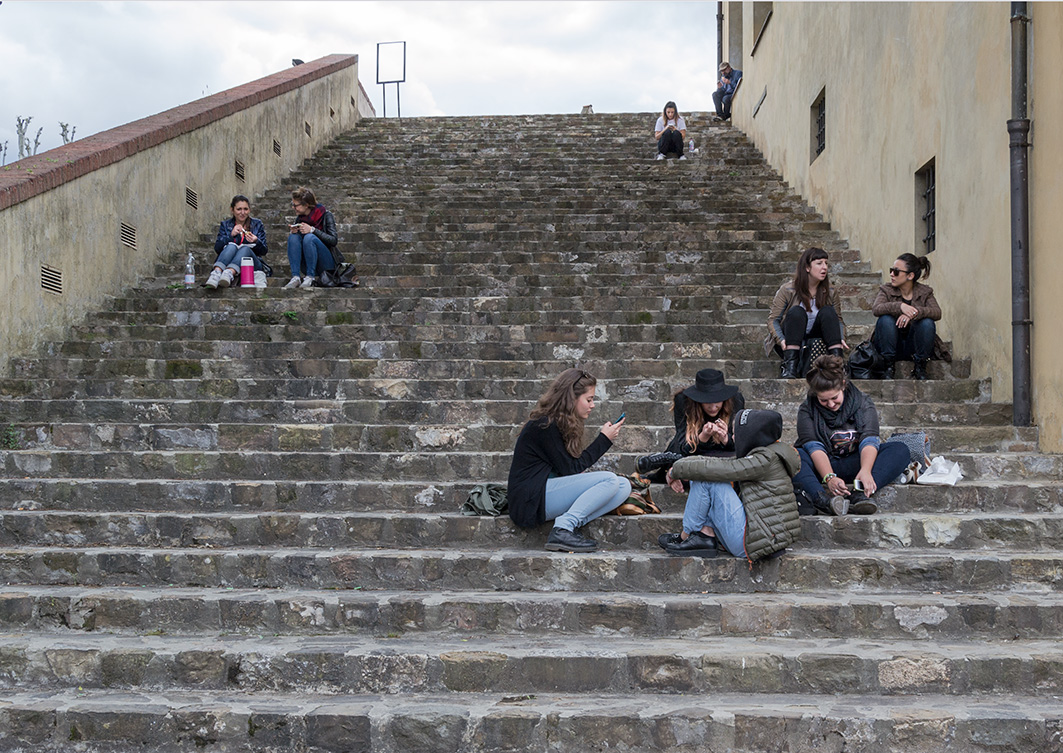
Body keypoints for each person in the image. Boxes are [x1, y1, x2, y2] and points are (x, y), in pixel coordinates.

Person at [507, 368, 629, 553]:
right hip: (529, 500)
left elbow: (570, 469)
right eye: (589, 399)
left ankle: (570, 525)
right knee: (609, 480)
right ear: (572, 398)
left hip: (546, 492)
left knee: (623, 486)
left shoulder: (561, 423)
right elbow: (571, 469)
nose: (593, 405)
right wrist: (604, 440)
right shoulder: (544, 425)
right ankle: (563, 528)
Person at [662, 409, 801, 561]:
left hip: (753, 544)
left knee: (707, 478)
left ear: (752, 436)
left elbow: (724, 469)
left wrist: (675, 471)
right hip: (760, 537)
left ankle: (688, 535)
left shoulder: (765, 459)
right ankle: (704, 533)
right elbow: (725, 464)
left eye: (736, 433)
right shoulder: (769, 453)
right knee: (704, 475)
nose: (733, 437)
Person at [792, 355, 910, 516]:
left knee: (900, 449)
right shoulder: (807, 409)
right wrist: (829, 477)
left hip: (856, 462)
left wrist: (866, 470)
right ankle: (822, 500)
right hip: (822, 464)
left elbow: (869, 439)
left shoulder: (863, 403)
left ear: (843, 385)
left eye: (834, 398)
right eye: (824, 401)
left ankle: (860, 493)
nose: (831, 404)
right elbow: (813, 446)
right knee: (793, 456)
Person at [635, 368, 746, 479]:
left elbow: (739, 445)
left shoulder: (735, 401)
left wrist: (725, 438)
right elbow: (683, 444)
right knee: (678, 450)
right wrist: (703, 436)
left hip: (722, 454)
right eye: (707, 401)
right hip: (691, 452)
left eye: (717, 401)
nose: (713, 407)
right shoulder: (684, 401)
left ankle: (664, 462)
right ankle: (664, 463)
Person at [765, 246, 848, 379]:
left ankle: (837, 366)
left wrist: (841, 337)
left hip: (816, 341)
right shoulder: (787, 290)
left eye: (826, 263)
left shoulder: (831, 291)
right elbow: (773, 320)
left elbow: (838, 320)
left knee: (828, 311)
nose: (825, 267)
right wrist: (780, 340)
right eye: (819, 263)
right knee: (796, 312)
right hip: (791, 339)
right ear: (807, 268)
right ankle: (790, 366)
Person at [872, 253, 941, 380]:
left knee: (927, 323)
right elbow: (876, 309)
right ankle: (888, 366)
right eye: (891, 270)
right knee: (885, 320)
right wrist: (900, 306)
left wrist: (915, 313)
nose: (892, 274)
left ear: (910, 276)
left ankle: (920, 366)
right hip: (890, 344)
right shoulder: (886, 290)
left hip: (913, 345)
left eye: (896, 272)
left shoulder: (925, 292)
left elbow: (937, 312)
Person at [284, 186, 344, 289]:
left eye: (295, 205)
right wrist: (296, 232)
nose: (293, 207)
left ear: (306, 205)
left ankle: (310, 277)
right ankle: (296, 277)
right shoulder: (300, 218)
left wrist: (313, 230)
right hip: (307, 261)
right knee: (293, 238)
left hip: (326, 263)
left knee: (309, 237)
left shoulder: (326, 215)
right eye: (292, 204)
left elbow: (333, 240)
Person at [205, 195, 269, 289]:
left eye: (245, 209)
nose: (242, 213)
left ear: (249, 210)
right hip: (229, 259)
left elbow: (264, 251)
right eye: (239, 209)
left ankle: (229, 273)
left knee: (245, 248)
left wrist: (256, 241)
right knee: (231, 246)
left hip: (252, 263)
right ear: (232, 210)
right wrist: (231, 235)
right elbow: (218, 248)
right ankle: (217, 273)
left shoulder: (257, 224)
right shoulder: (226, 225)